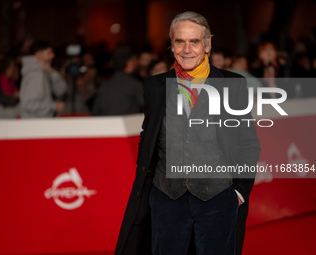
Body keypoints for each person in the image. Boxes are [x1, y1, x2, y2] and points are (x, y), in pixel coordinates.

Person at [114, 11, 261, 255]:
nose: (187, 49)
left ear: (207, 44)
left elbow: (248, 143)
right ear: (171, 45)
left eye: (194, 41)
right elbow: (148, 136)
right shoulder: (155, 85)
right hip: (165, 200)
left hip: (217, 200)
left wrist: (238, 192)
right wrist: (151, 185)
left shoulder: (232, 85)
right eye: (180, 41)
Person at [91, 46, 143, 116]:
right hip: (128, 125)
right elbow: (150, 110)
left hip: (107, 125)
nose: (137, 63)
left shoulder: (104, 85)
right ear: (129, 63)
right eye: (135, 60)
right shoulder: (135, 85)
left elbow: (95, 113)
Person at [20, 41, 66, 118]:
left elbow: (61, 89)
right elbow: (28, 104)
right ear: (39, 55)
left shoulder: (43, 72)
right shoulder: (36, 74)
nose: (53, 55)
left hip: (38, 124)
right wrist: (53, 106)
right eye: (49, 53)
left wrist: (52, 72)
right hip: (36, 125)